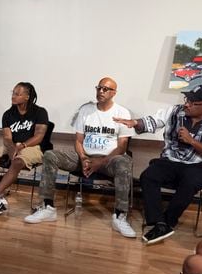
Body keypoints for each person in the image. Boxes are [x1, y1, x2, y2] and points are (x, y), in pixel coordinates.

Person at [115, 84, 202, 244]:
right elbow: (154, 121)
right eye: (187, 99)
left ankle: (169, 221)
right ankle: (158, 223)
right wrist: (135, 122)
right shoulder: (176, 112)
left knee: (190, 181)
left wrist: (192, 141)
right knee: (148, 176)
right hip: (170, 161)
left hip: (199, 165)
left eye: (192, 102)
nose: (187, 104)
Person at [25, 78, 136, 236]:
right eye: (99, 88)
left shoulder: (122, 112)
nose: (101, 92)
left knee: (124, 162)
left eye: (106, 89)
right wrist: (83, 157)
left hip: (109, 160)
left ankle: (120, 216)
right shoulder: (86, 110)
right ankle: (47, 207)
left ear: (114, 93)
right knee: (50, 155)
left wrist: (100, 162)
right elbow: (78, 141)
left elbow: (122, 146)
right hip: (85, 157)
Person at [0, 82, 50, 217]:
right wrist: (11, 150)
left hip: (33, 146)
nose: (13, 96)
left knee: (17, 162)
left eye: (17, 94)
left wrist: (22, 146)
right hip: (13, 145)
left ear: (27, 96)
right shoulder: (8, 114)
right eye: (13, 93)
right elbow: (7, 138)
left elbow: (39, 136)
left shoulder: (40, 112)